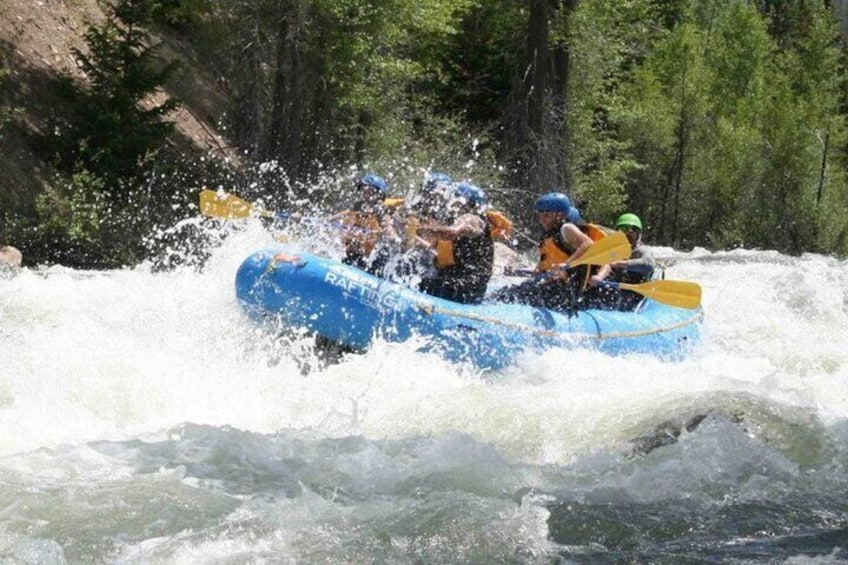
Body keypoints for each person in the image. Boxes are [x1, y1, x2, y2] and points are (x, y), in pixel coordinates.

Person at [489, 192, 595, 312]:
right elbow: (545, 261)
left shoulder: (566, 228)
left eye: (546, 215)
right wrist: (533, 276)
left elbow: (588, 243)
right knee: (506, 292)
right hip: (550, 284)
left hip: (565, 291)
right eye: (539, 215)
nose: (541, 220)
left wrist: (567, 265)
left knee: (514, 295)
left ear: (559, 215)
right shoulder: (547, 235)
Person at [414, 182, 494, 304]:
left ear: (464, 201)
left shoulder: (471, 218)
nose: (450, 202)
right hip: (468, 285)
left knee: (416, 283)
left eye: (454, 198)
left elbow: (451, 233)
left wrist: (421, 229)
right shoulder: (461, 218)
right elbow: (435, 250)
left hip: (465, 287)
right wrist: (414, 238)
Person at [327, 173, 400, 275]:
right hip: (355, 251)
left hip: (372, 257)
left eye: (367, 191)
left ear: (377, 193)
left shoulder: (380, 210)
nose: (364, 194)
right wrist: (328, 219)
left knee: (379, 256)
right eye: (362, 190)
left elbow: (387, 225)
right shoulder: (358, 206)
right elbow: (345, 213)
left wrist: (393, 237)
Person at [587, 212, 657, 311]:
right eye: (623, 229)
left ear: (638, 235)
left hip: (635, 293)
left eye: (633, 229)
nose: (628, 232)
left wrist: (619, 263)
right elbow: (607, 264)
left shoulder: (640, 250)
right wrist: (599, 277)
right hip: (617, 289)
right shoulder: (615, 250)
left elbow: (649, 264)